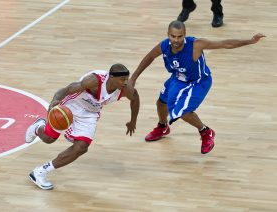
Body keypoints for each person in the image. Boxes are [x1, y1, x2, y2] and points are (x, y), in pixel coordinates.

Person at [130, 20, 265, 154]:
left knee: (183, 112)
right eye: (173, 36)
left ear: (185, 35)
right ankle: (162, 127)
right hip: (178, 78)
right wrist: (134, 77)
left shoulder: (196, 45)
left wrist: (250, 41)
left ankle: (206, 132)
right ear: (168, 35)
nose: (176, 40)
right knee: (161, 103)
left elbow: (225, 44)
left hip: (198, 82)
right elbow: (149, 57)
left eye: (179, 36)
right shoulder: (164, 45)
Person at [25, 63, 140, 190]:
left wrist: (132, 121)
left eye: (127, 79)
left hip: (90, 113)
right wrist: (54, 102)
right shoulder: (94, 81)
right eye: (122, 79)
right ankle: (38, 127)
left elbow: (135, 99)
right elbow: (68, 89)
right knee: (49, 139)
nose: (125, 82)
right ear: (111, 77)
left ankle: (40, 172)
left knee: (81, 147)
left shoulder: (126, 89)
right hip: (72, 104)